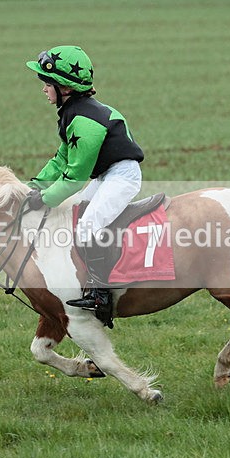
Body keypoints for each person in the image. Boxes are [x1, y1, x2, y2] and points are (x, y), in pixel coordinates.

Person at [25, 45, 144, 315]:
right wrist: (34, 186)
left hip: (121, 177)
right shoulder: (73, 113)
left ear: (64, 88)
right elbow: (61, 159)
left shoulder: (83, 120)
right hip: (107, 175)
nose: (43, 89)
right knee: (76, 216)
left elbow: (75, 178)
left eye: (47, 83)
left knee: (88, 226)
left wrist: (44, 199)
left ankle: (101, 294)